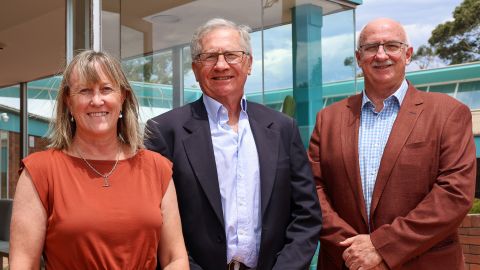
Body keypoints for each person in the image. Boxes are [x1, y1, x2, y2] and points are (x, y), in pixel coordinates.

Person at [145, 18, 322, 270]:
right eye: (209, 57)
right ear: (195, 69)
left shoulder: (282, 128)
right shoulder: (163, 131)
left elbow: (306, 214)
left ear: (248, 63)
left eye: (231, 55)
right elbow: (155, 221)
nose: (220, 65)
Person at [308, 17, 477, 270]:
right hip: (347, 262)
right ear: (358, 57)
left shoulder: (448, 113)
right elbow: (312, 190)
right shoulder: (328, 119)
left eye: (392, 46)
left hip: (425, 263)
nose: (381, 54)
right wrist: (356, 250)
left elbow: (453, 194)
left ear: (407, 54)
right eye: (371, 47)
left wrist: (382, 246)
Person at [9, 50, 189, 269]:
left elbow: (175, 259)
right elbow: (23, 264)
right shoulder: (39, 171)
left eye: (106, 89)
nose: (97, 100)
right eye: (84, 91)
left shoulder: (157, 168)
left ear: (122, 97)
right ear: (68, 101)